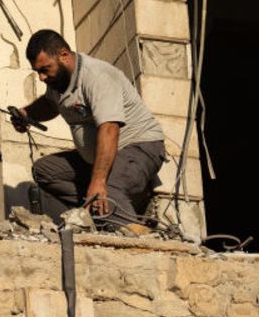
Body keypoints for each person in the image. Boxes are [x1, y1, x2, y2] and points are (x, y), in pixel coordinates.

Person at [12, 29, 166, 228]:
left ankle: (135, 238)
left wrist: (99, 182)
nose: (41, 77)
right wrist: (27, 114)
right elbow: (50, 105)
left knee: (108, 188)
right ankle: (100, 212)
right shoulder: (58, 82)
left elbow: (109, 128)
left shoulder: (97, 76)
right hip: (99, 156)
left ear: (64, 55)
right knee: (45, 170)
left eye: (45, 69)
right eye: (37, 71)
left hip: (139, 147)